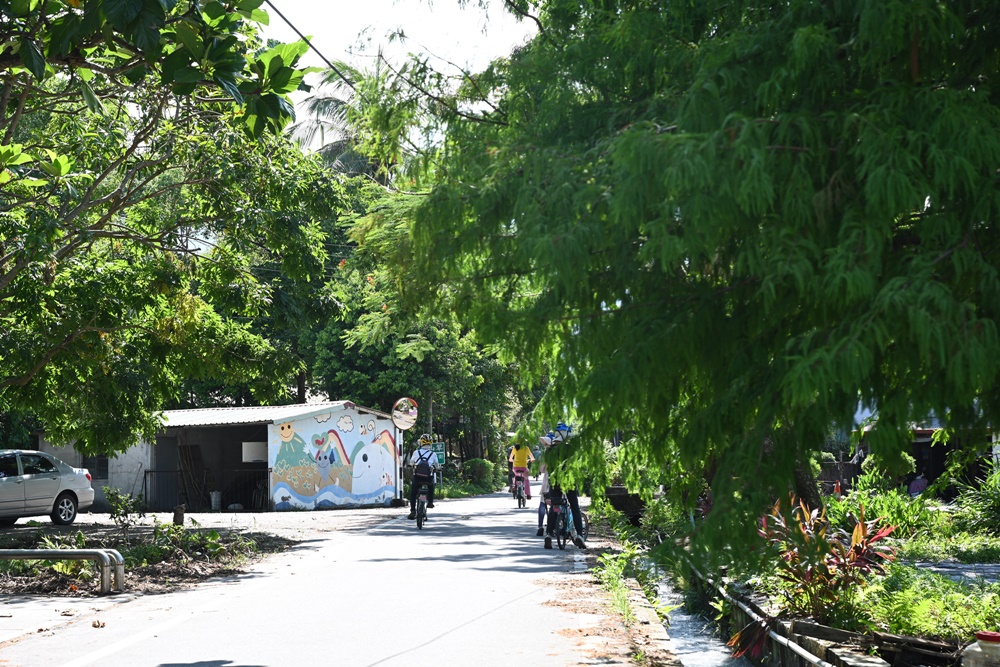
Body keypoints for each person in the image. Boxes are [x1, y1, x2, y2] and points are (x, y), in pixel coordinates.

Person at [538, 426, 586, 549]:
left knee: (555, 507)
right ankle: (580, 535)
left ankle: (548, 534)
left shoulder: (549, 450)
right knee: (575, 507)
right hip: (569, 481)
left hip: (554, 482)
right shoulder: (570, 448)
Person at [407, 433, 440, 520]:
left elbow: (411, 463)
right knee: (431, 487)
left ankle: (413, 511)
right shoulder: (433, 454)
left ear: (421, 443)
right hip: (428, 478)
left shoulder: (416, 452)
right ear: (431, 443)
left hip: (417, 477)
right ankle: (430, 502)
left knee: (413, 493)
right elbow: (437, 465)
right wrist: (438, 468)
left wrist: (412, 465)